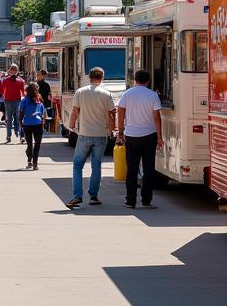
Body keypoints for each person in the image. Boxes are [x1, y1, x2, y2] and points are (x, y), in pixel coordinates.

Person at [66, 67, 115, 209]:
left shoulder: (80, 92)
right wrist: (112, 130)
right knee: (96, 165)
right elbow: (112, 113)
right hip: (100, 134)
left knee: (77, 165)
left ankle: (78, 195)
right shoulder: (106, 93)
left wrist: (71, 126)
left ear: (89, 77)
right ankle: (93, 195)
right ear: (102, 77)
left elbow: (75, 111)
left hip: (84, 134)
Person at [115, 69, 164, 210]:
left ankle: (130, 201)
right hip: (149, 135)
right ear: (148, 81)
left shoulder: (127, 94)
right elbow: (157, 118)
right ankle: (146, 201)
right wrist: (160, 137)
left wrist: (120, 133)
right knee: (149, 169)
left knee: (132, 169)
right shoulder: (153, 95)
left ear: (135, 80)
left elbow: (120, 112)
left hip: (131, 135)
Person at [20, 83, 46, 170]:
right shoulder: (39, 99)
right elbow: (43, 113)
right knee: (37, 144)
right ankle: (34, 163)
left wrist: (21, 123)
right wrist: (43, 122)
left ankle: (30, 160)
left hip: (27, 124)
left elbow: (21, 113)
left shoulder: (25, 100)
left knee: (30, 144)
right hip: (37, 124)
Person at [1, 65, 25, 143]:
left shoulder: (20, 81)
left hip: (14, 100)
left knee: (14, 118)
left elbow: (23, 92)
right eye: (12, 69)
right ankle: (10, 134)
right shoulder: (19, 80)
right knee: (12, 118)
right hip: (9, 100)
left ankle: (12, 134)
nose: (13, 71)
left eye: (14, 69)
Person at [36, 69, 53, 133]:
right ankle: (40, 127)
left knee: (43, 115)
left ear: (43, 76)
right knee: (39, 114)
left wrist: (49, 102)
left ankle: (42, 127)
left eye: (40, 74)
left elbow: (49, 94)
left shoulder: (46, 84)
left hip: (44, 102)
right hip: (37, 102)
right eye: (38, 74)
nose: (38, 76)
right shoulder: (36, 84)